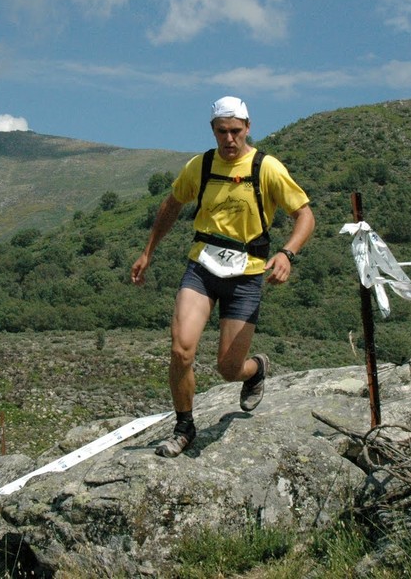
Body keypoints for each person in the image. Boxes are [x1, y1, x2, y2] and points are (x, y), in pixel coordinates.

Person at [131, 96, 315, 457]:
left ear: (248, 128)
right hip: (202, 266)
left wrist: (287, 253)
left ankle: (256, 368)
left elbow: (305, 216)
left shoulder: (267, 168)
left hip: (247, 275)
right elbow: (171, 204)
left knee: (228, 369)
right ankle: (184, 427)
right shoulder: (200, 167)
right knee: (181, 348)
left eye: (235, 131)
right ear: (212, 131)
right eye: (221, 132)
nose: (229, 139)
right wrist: (148, 251)